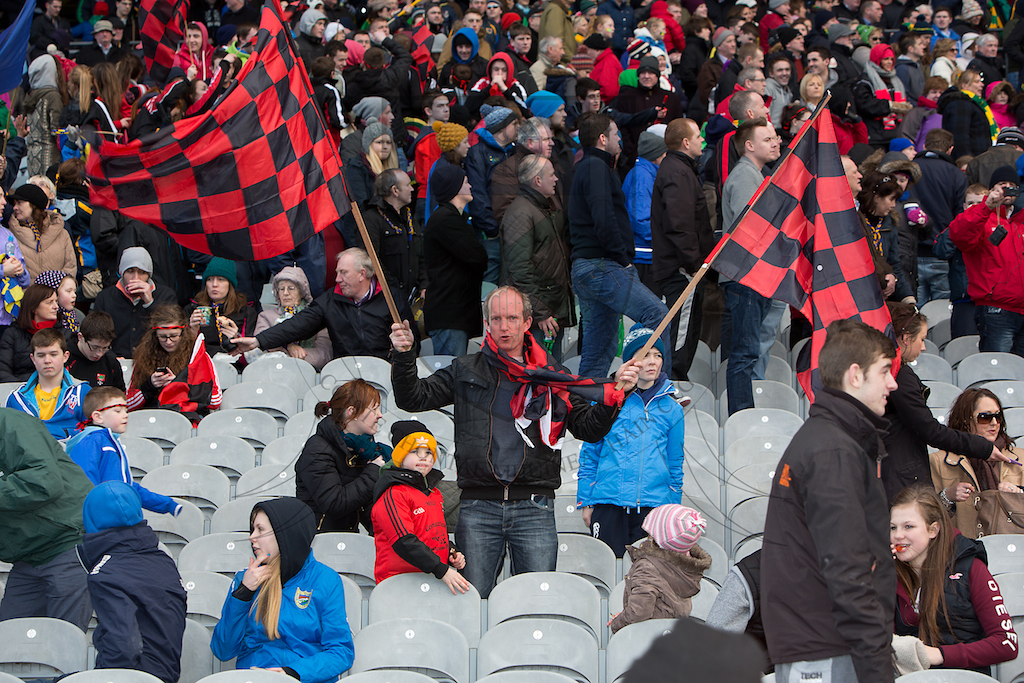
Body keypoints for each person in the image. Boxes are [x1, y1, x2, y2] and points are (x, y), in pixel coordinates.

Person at [389, 285, 638, 597]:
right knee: (472, 601)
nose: (503, 326)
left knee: (534, 603)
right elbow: (412, 397)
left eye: (511, 318)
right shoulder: (465, 369)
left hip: (533, 507)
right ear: (487, 324)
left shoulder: (552, 374)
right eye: (496, 319)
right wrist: (404, 355)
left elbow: (588, 429)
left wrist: (617, 394)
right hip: (478, 506)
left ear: (527, 322)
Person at [762, 319, 899, 683]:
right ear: (855, 375)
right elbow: (848, 570)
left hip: (826, 643)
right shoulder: (833, 450)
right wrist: (877, 666)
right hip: (830, 648)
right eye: (885, 371)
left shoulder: (831, 441)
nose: (893, 383)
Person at [569, 112, 670, 379]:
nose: (621, 140)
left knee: (600, 346)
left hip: (592, 266)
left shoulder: (590, 166)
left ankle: (584, 408)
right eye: (616, 134)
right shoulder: (594, 167)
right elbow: (603, 218)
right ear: (603, 139)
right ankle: (656, 390)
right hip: (602, 265)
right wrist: (623, 258)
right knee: (657, 314)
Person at [210, 498, 355, 682]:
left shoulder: (325, 580)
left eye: (260, 530)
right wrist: (244, 593)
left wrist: (292, 673)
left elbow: (341, 652)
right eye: (252, 529)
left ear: (285, 534)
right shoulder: (244, 580)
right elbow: (223, 650)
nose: (252, 537)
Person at [577, 325, 684, 557]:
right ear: (629, 362)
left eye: (658, 356)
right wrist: (586, 499)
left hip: (653, 507)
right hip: (608, 504)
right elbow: (590, 453)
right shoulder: (608, 402)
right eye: (645, 355)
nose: (653, 362)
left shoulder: (672, 410)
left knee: (647, 579)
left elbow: (675, 463)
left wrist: (672, 507)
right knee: (608, 569)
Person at [891, 485, 1018, 676]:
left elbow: (1006, 643)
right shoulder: (888, 573)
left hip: (966, 677)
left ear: (933, 530)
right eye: (893, 527)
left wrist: (939, 655)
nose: (898, 535)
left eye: (908, 526)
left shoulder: (970, 567)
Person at [882, 302, 1002, 503]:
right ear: (905, 339)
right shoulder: (899, 376)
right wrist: (983, 447)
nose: (923, 346)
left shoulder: (891, 373)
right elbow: (929, 430)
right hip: (898, 473)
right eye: (921, 339)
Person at [76, 481, 185, 683]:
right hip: (165, 675)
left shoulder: (105, 573)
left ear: (91, 520)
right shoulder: (163, 559)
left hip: (127, 677)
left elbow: (124, 647)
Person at [0, 407, 93, 629]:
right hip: (28, 554)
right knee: (10, 642)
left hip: (68, 541)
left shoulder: (8, 422)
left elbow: (44, 482)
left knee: (61, 645)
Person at [233, 249, 415, 362]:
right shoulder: (330, 300)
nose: (337, 279)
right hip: (345, 376)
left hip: (383, 371)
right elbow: (298, 324)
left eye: (343, 273)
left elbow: (411, 340)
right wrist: (258, 341)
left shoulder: (392, 299)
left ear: (362, 274)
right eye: (337, 273)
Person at [721, 118, 783, 416]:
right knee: (745, 353)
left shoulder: (755, 174)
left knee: (748, 351)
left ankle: (744, 413)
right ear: (749, 146)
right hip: (746, 275)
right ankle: (742, 416)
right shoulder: (746, 176)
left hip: (752, 274)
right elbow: (750, 229)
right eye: (768, 139)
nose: (776, 143)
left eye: (775, 138)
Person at [371, 420, 469, 591]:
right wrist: (442, 570)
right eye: (415, 451)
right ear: (400, 456)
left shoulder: (433, 493)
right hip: (398, 585)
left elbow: (432, 534)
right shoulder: (393, 494)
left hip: (430, 582)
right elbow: (404, 541)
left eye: (429, 452)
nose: (424, 457)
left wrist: (451, 552)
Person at [652, 118, 712, 382]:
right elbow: (680, 223)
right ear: (686, 142)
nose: (703, 140)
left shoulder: (680, 169)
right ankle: (673, 383)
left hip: (682, 267)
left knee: (685, 331)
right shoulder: (678, 172)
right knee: (681, 335)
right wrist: (693, 264)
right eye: (698, 136)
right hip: (682, 270)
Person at [500, 155, 574, 362]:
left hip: (548, 310)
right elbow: (519, 269)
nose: (556, 179)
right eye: (551, 175)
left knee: (552, 373)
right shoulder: (521, 213)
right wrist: (540, 312)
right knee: (538, 374)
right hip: (537, 316)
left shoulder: (542, 207)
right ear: (537, 181)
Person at [66, 385, 181, 515]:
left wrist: (167, 504)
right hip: (103, 520)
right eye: (117, 411)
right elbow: (85, 483)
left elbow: (126, 486)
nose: (125, 415)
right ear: (98, 417)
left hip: (117, 517)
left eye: (126, 410)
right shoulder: (91, 442)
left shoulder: (109, 442)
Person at [294, 379, 389, 532]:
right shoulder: (317, 449)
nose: (380, 415)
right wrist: (374, 470)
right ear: (352, 412)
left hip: (347, 540)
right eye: (374, 409)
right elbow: (334, 504)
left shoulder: (363, 447)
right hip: (318, 542)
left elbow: (364, 504)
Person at [930, 388, 1024, 537]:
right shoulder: (939, 461)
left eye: (997, 416)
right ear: (966, 421)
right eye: (985, 417)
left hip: (1012, 550)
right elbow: (925, 517)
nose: (994, 423)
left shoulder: (1020, 458)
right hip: (962, 551)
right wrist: (947, 497)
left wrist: (1019, 492)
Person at [950, 165, 1024, 354]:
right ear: (992, 189)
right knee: (997, 371)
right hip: (995, 309)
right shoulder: (982, 217)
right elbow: (959, 234)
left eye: (1012, 185)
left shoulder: (1021, 221)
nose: (1007, 188)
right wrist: (987, 205)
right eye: (1002, 184)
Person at [609, 504, 711, 633]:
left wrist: (617, 624)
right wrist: (626, 615)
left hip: (646, 637)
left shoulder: (647, 568)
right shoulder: (686, 564)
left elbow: (639, 611)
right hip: (670, 635)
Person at [422, 165, 487, 357]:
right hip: (449, 315)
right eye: (466, 182)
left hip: (455, 313)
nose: (470, 185)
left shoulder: (455, 218)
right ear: (455, 187)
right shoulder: (445, 220)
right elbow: (479, 257)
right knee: (450, 378)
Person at [126, 305, 221, 413]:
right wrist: (150, 385)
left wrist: (178, 385)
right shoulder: (144, 356)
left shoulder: (197, 355)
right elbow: (128, 404)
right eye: (162, 337)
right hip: (152, 417)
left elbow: (215, 400)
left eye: (174, 336)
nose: (168, 342)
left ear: (183, 333)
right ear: (154, 335)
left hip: (184, 418)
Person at [465, 105, 519, 284]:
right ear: (502, 128)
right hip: (491, 234)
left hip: (515, 230)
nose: (519, 128)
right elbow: (477, 193)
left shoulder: (515, 151)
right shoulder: (477, 153)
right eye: (515, 124)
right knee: (491, 280)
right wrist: (492, 229)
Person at [92, 247, 178, 359]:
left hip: (155, 360)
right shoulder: (105, 297)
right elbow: (96, 333)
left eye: (142, 272)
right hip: (117, 361)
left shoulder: (166, 295)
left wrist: (150, 303)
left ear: (149, 275)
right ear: (122, 273)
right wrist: (111, 357)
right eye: (130, 271)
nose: (136, 278)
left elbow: (172, 332)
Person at [6, 327, 90, 440]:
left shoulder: (82, 392)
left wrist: (62, 434)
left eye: (53, 354)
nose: (47, 360)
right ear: (33, 359)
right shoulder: (16, 399)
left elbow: (93, 432)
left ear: (65, 356)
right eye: (41, 355)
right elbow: (9, 438)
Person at [251, 267, 332, 371]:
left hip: (308, 372)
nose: (285, 293)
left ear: (302, 292)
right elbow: (260, 348)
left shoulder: (316, 317)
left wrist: (292, 355)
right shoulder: (265, 316)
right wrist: (288, 347)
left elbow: (324, 355)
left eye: (291, 288)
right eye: (281, 289)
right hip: (272, 372)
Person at [185, 258, 256, 357]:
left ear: (230, 284)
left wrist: (237, 339)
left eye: (220, 279)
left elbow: (251, 356)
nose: (214, 285)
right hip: (203, 363)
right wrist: (192, 332)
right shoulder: (192, 309)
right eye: (210, 279)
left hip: (234, 365)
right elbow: (183, 354)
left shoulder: (245, 311)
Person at [7, 183, 76, 281]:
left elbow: (70, 267)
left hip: (56, 295)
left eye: (19, 202)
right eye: (14, 204)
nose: (15, 207)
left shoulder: (61, 233)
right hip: (25, 295)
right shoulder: (9, 235)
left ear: (34, 205)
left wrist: (56, 291)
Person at [0, 283, 63, 382]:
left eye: (56, 301)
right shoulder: (12, 334)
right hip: (19, 390)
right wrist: (24, 391)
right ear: (34, 307)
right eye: (49, 302)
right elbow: (3, 370)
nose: (56, 307)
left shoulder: (63, 333)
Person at [939, 70, 996, 160]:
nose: (982, 85)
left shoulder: (972, 104)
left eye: (981, 81)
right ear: (964, 85)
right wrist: (965, 160)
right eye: (976, 82)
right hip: (970, 160)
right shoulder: (960, 104)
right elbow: (959, 136)